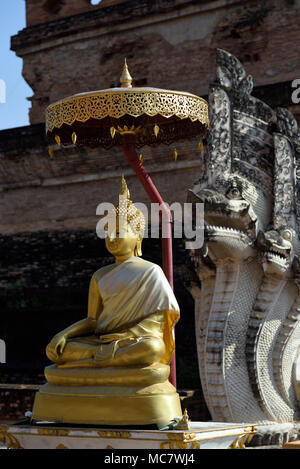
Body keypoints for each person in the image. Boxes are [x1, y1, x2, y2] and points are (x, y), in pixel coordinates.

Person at [46, 175, 179, 370]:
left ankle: (92, 361)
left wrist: (127, 335)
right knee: (60, 349)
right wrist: (63, 334)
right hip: (102, 341)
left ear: (137, 237)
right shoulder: (100, 275)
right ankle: (98, 357)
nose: (111, 237)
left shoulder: (151, 271)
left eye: (118, 232)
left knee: (153, 348)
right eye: (107, 232)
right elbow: (93, 320)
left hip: (133, 341)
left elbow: (162, 317)